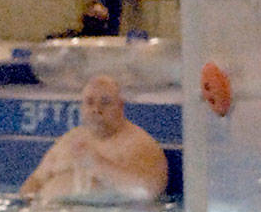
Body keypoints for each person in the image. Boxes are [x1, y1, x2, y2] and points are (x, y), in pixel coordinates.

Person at [16, 74, 168, 203]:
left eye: (105, 103)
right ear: (82, 108)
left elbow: (147, 192)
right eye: (90, 102)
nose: (96, 109)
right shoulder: (70, 140)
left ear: (120, 107)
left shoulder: (139, 144)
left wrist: (97, 164)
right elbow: (35, 181)